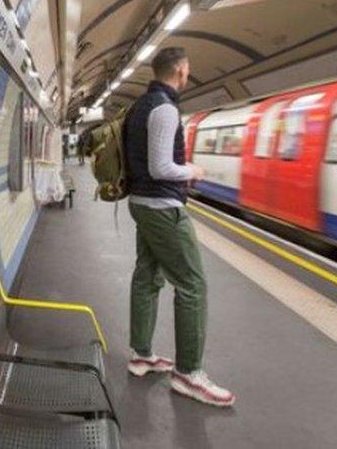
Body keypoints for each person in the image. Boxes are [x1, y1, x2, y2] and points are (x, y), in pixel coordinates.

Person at [122, 47, 235, 407]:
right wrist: (194, 171)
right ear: (182, 72)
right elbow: (161, 168)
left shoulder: (139, 106)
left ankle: (142, 355)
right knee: (192, 284)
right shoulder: (165, 109)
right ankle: (189, 374)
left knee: (148, 276)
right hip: (162, 207)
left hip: (141, 202)